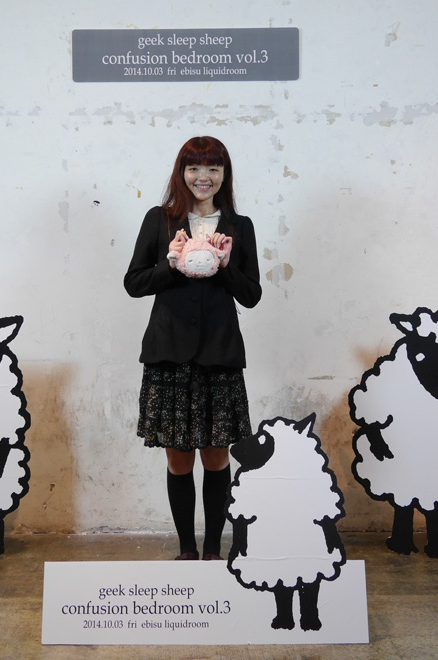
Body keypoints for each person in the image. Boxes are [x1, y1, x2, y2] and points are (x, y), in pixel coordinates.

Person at [124, 136, 262, 560]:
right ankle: (187, 550)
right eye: (195, 168)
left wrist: (225, 267)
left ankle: (213, 551)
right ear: (181, 173)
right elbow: (134, 283)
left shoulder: (239, 226)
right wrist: (170, 263)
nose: (204, 177)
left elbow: (252, 295)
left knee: (217, 457)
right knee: (179, 459)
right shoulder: (160, 220)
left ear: (224, 175)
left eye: (213, 168)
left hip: (219, 355)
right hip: (169, 355)